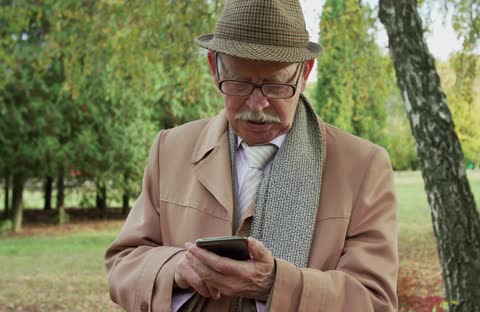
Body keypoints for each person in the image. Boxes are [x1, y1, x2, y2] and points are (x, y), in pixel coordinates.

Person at [105, 0, 398, 311]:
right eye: (239, 83)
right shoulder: (170, 150)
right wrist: (174, 269)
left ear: (304, 72)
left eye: (274, 85)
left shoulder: (364, 167)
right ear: (213, 65)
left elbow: (374, 301)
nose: (257, 105)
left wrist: (274, 285)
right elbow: (123, 264)